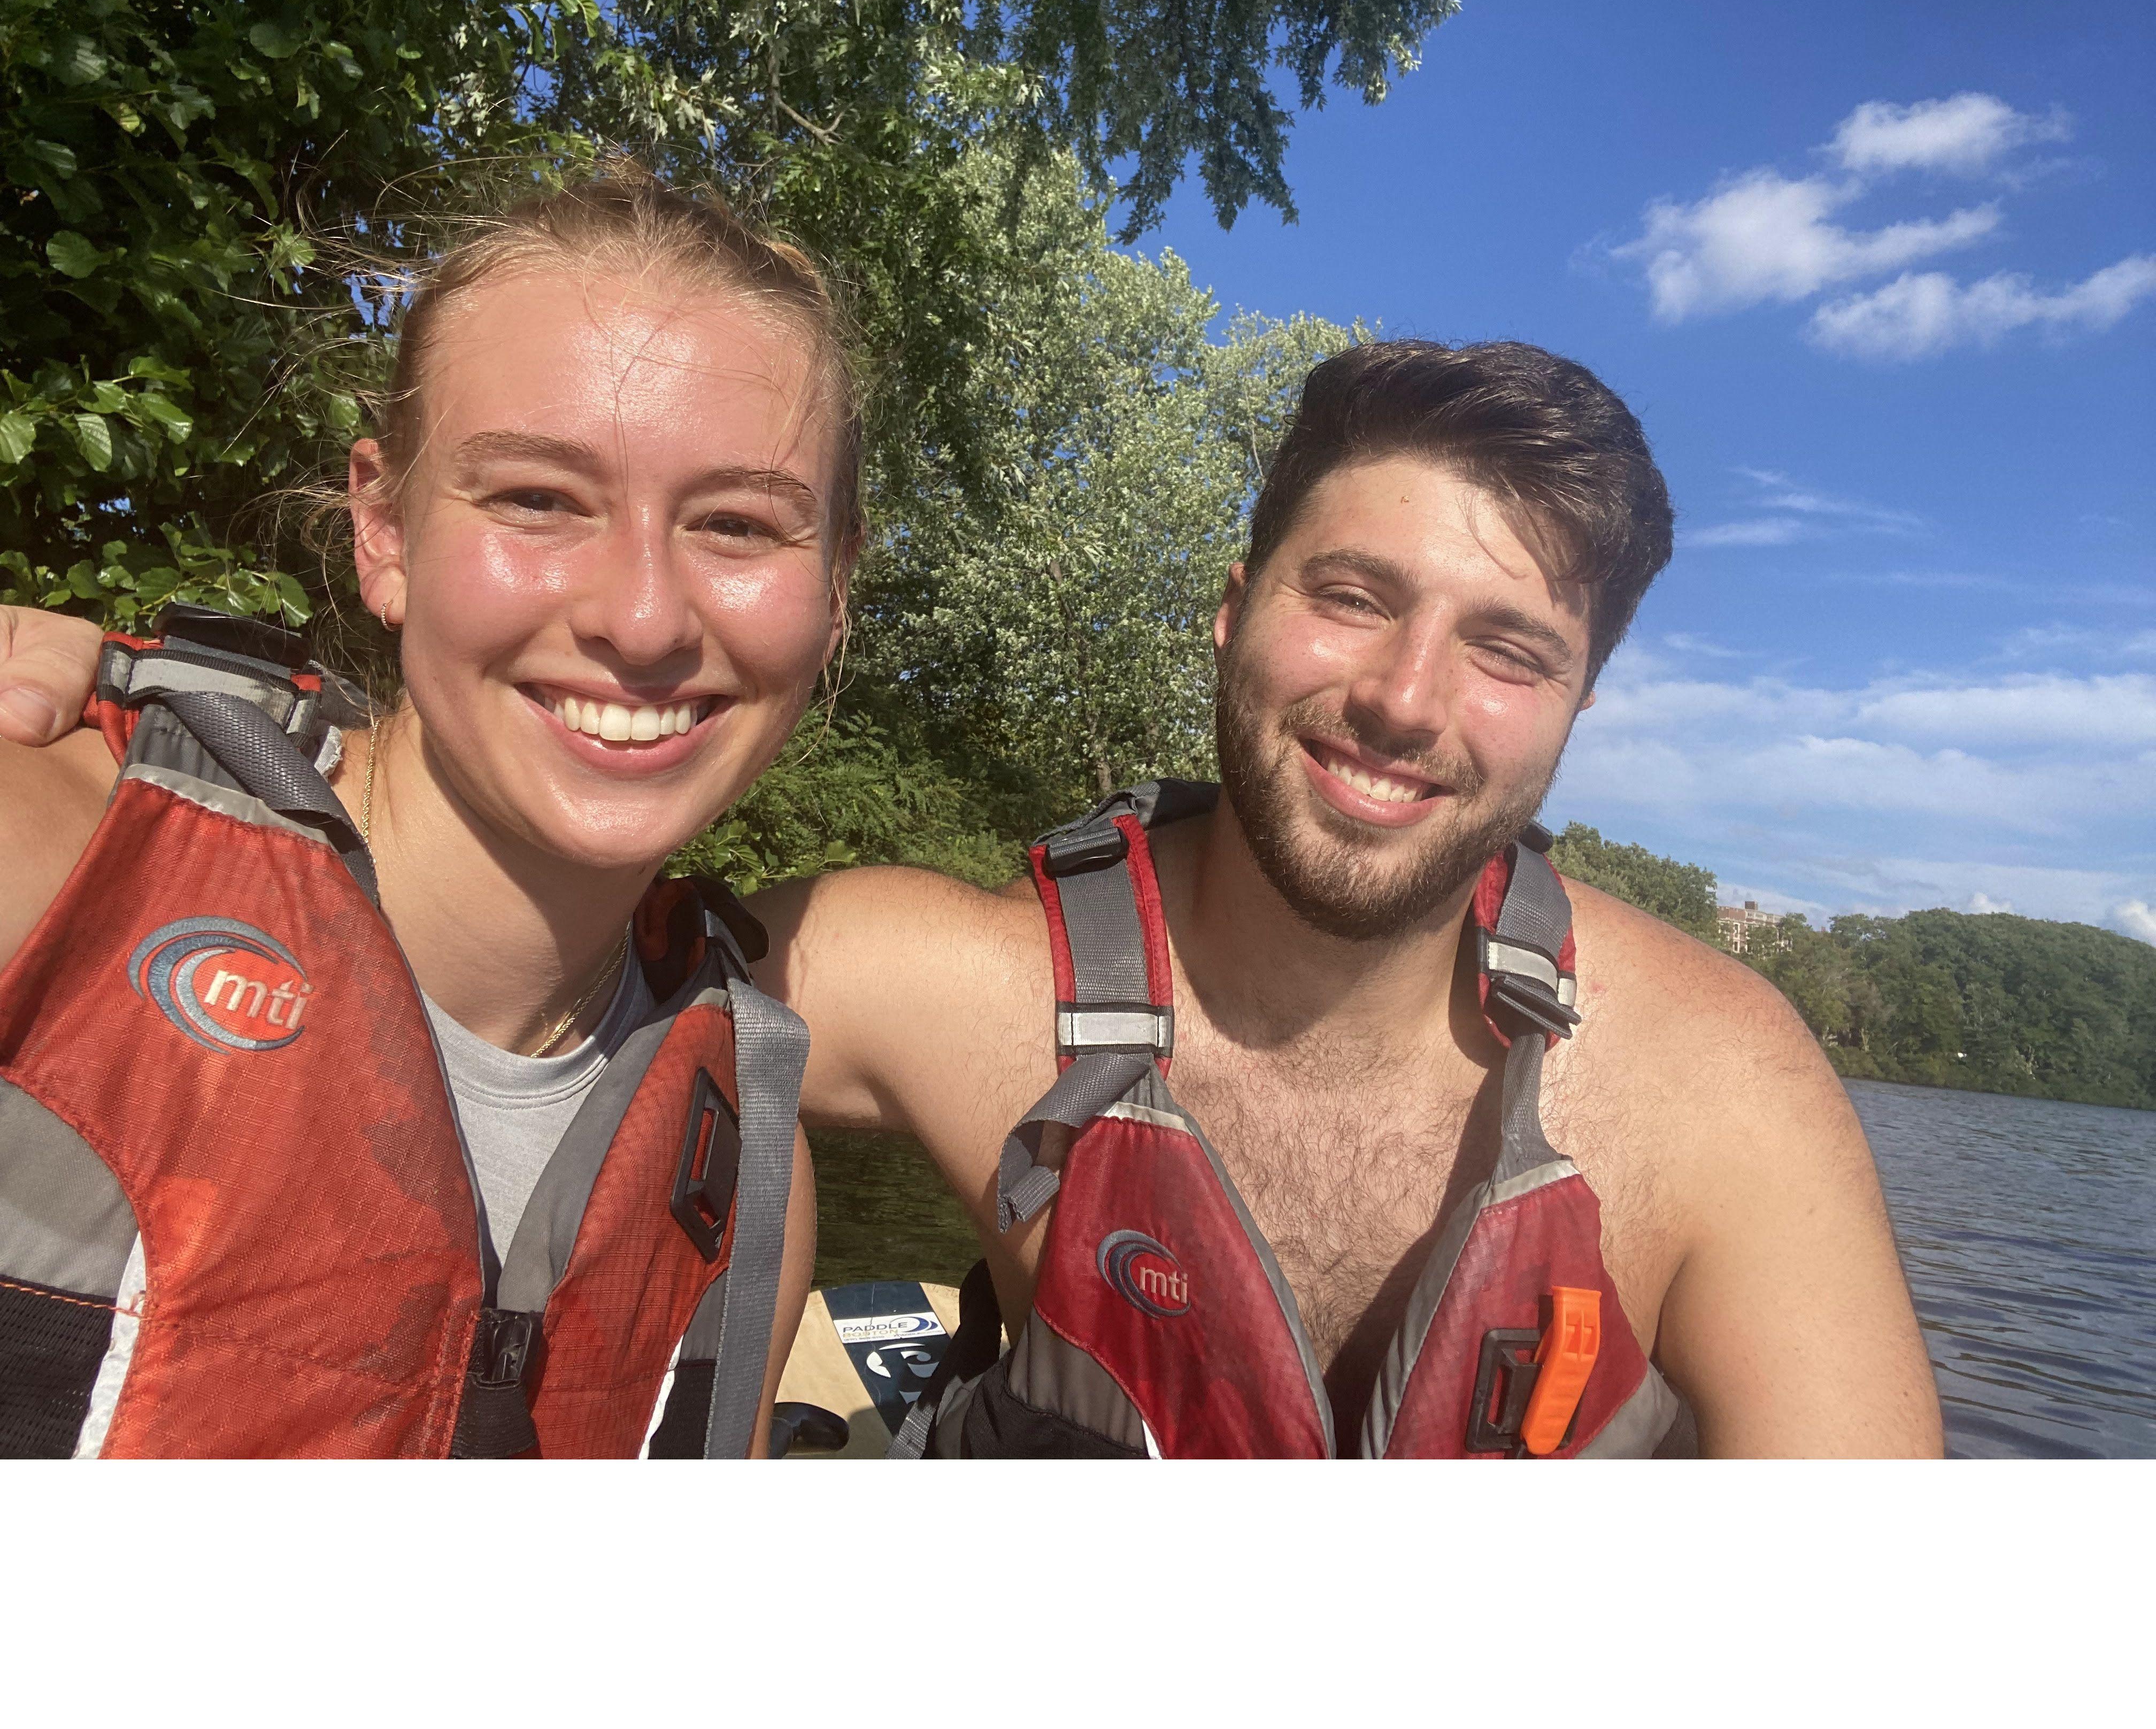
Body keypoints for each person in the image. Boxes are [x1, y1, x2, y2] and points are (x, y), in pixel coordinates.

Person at [4, 322, 1945, 1457]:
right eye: (1348, 595)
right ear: (1234, 611)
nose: (1404, 701)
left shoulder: (1719, 1093)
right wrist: (165, 709)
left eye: (1507, 648)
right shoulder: (928, 979)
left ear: (1576, 706)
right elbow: (488, 888)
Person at [0, 167, 856, 1457]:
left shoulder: (753, 1187)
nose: (642, 619)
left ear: (837, 594)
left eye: (738, 525)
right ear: (385, 531)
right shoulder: (48, 869)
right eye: (536, 499)